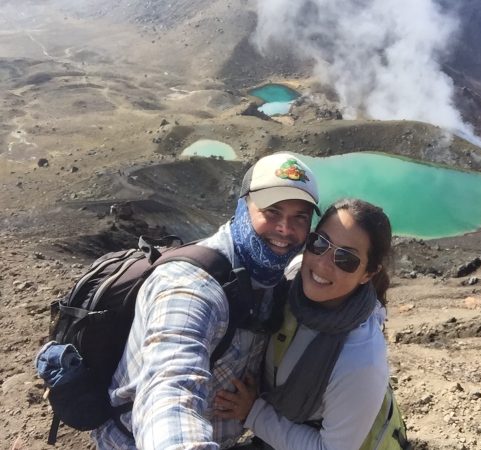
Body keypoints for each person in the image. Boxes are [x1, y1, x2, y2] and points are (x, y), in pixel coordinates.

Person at [91, 152, 320, 450]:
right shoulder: (189, 287)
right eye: (272, 211)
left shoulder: (271, 278)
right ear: (243, 206)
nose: (285, 229)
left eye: (300, 217)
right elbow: (170, 388)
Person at [215, 198, 393, 450]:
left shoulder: (361, 360)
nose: (322, 264)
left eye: (345, 259)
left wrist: (254, 412)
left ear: (368, 274)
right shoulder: (293, 275)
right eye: (319, 243)